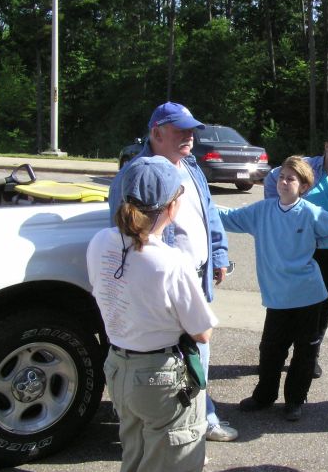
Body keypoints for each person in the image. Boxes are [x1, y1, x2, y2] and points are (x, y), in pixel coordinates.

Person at [108, 102, 237, 443]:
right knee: (171, 358)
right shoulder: (133, 175)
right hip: (161, 281)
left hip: (194, 275)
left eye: (192, 130)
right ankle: (169, 427)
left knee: (196, 357)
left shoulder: (191, 167)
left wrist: (219, 255)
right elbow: (125, 233)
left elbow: (209, 214)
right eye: (181, 131)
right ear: (156, 133)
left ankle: (198, 419)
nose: (190, 138)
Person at [88, 156, 218, 472]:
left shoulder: (100, 241)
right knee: (172, 462)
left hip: (118, 367)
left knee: (135, 455)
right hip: (160, 376)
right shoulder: (169, 262)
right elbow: (202, 331)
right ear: (171, 208)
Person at [221, 155, 328, 421]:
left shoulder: (310, 212)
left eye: (291, 178)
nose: (283, 182)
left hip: (308, 294)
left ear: (303, 186)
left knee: (305, 351)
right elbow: (228, 217)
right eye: (281, 177)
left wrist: (315, 243)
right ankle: (264, 396)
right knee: (270, 349)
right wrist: (199, 205)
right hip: (277, 296)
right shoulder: (262, 211)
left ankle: (295, 401)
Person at [264, 127, 328, 379]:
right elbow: (273, 177)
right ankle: (275, 357)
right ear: (326, 145)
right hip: (299, 252)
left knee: (321, 310)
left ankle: (310, 357)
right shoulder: (306, 167)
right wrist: (275, 209)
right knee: (286, 306)